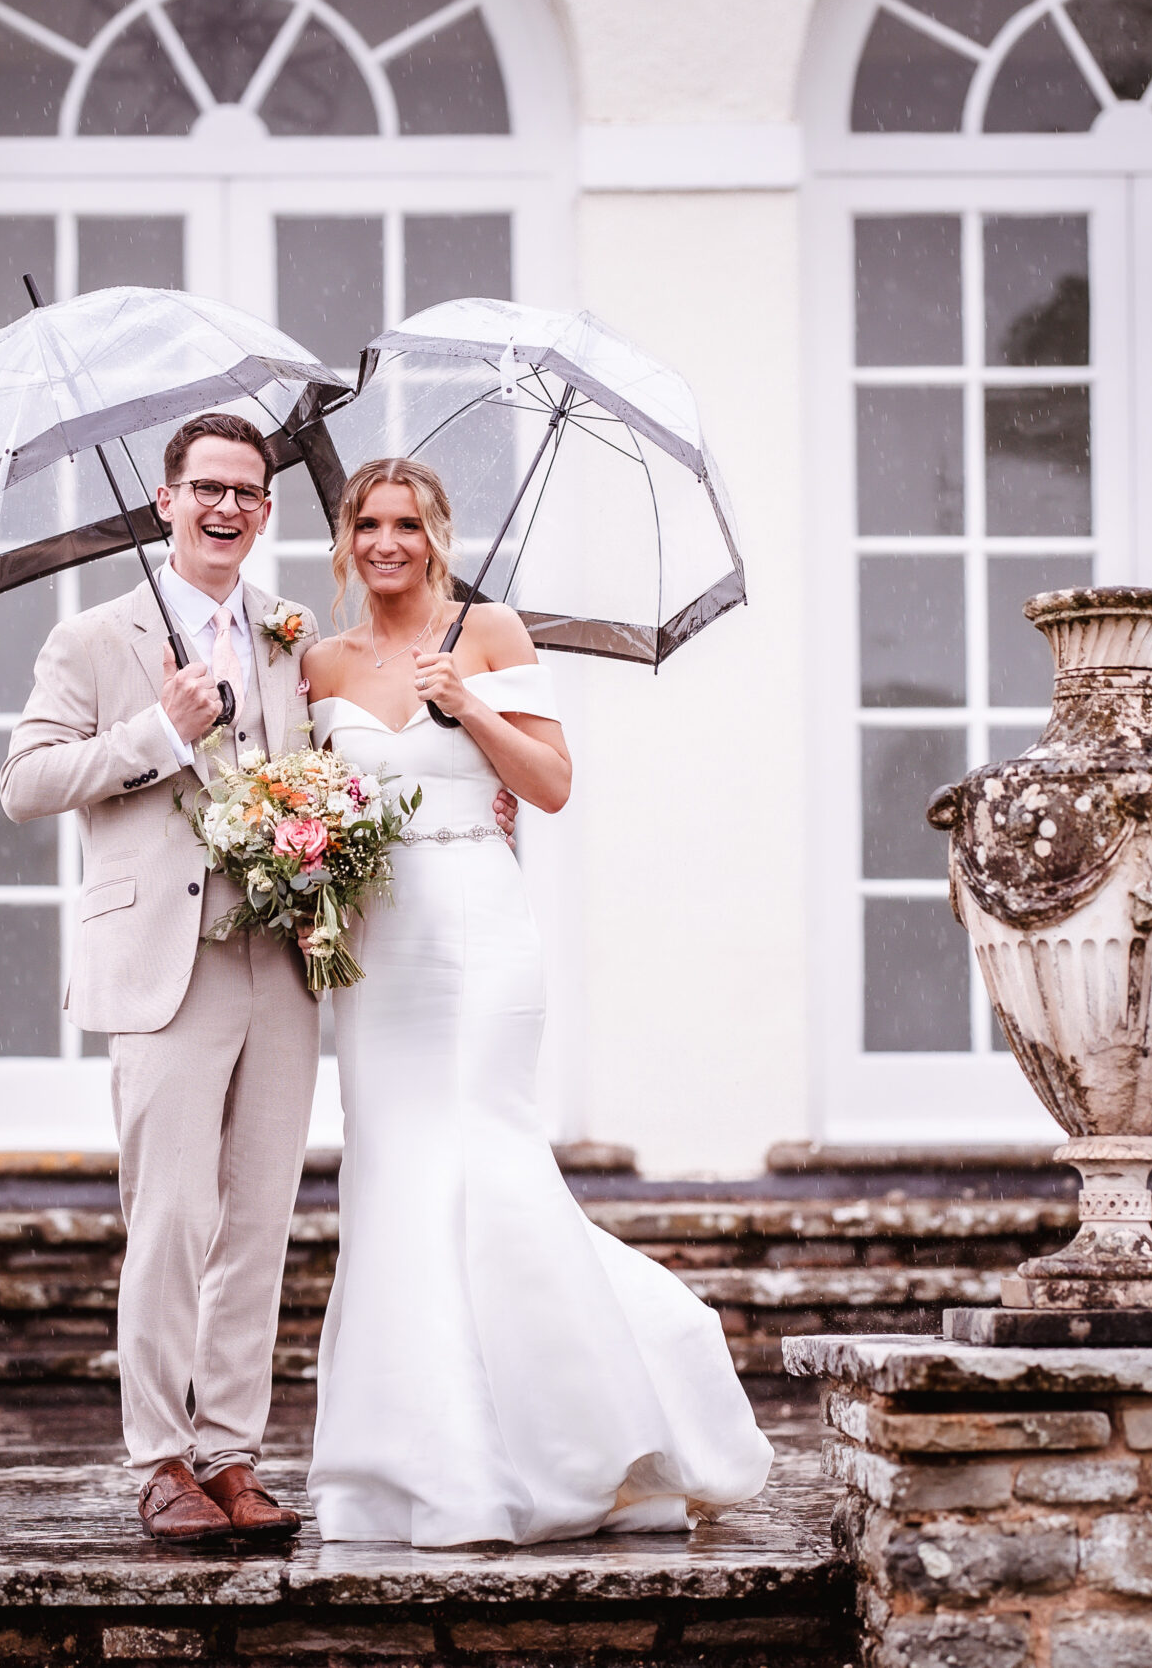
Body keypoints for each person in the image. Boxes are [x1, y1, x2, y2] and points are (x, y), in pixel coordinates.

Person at [0, 415, 512, 1546]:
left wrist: (478, 778)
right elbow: (25, 782)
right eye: (206, 490)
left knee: (260, 1223)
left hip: (280, 961)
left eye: (245, 492)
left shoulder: (288, 637)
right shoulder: (94, 639)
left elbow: (328, 769)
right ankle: (160, 1458)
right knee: (172, 1217)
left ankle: (232, 1454)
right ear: (165, 503)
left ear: (264, 512)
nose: (225, 508)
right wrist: (156, 731)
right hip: (166, 968)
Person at [299, 456, 772, 1546]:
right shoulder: (316, 661)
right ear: (345, 539)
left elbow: (551, 784)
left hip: (474, 925)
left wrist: (464, 704)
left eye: (406, 523)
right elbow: (302, 796)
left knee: (486, 1159)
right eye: (367, 523)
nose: (386, 542)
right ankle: (405, 1467)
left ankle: (583, 1435)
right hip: (376, 944)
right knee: (393, 1176)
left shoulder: (492, 630)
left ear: (437, 533)